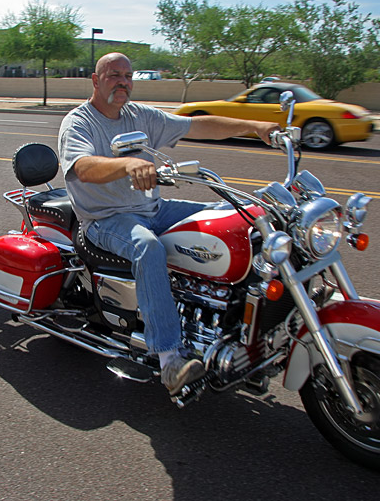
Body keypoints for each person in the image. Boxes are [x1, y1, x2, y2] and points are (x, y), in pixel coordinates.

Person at [59, 53, 280, 395]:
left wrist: (254, 127)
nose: (123, 82)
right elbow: (83, 167)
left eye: (128, 76)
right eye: (114, 75)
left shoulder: (139, 115)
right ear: (95, 79)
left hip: (153, 208)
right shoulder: (79, 122)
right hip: (104, 219)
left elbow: (198, 125)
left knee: (233, 218)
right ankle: (169, 360)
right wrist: (128, 165)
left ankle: (238, 330)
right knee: (148, 247)